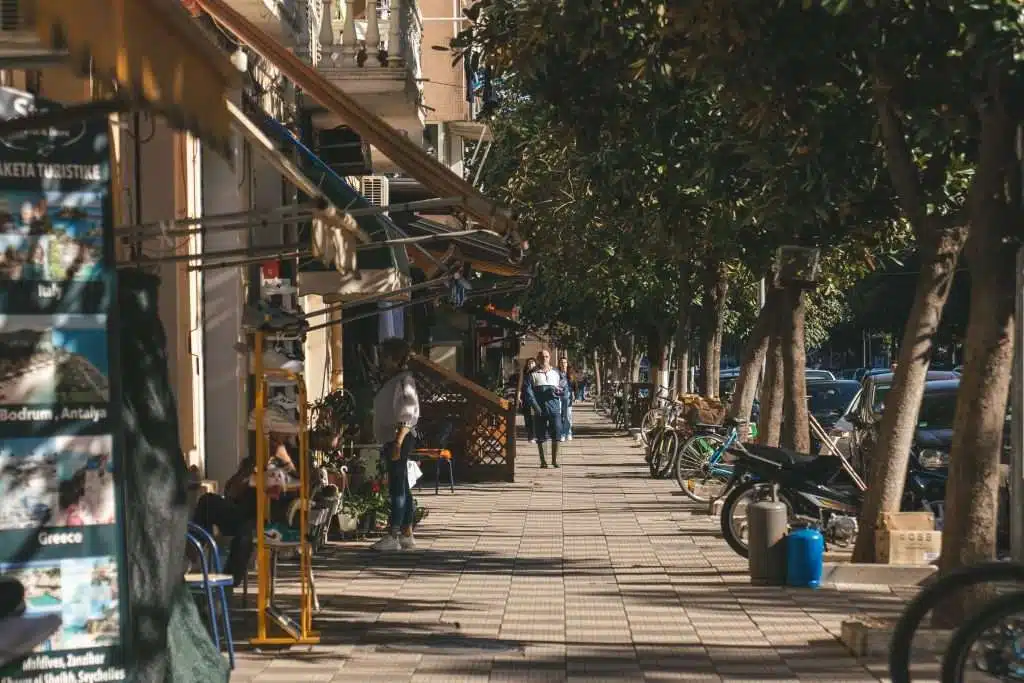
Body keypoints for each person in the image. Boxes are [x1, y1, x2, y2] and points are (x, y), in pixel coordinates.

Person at [191, 432, 297, 585]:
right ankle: (194, 554)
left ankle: (228, 585)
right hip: (241, 511)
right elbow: (230, 490)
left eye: (275, 441)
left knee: (245, 534)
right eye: (269, 440)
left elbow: (293, 488)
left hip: (267, 518)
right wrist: (249, 473)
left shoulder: (289, 460)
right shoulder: (252, 461)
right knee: (207, 501)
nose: (271, 445)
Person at [371, 337, 420, 552]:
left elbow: (408, 413)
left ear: (394, 358)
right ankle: (406, 533)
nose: (381, 361)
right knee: (402, 487)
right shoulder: (396, 379)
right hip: (393, 437)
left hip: (398, 437)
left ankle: (393, 534)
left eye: (385, 357)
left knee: (397, 488)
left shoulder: (404, 381)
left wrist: (398, 443)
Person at [524, 349, 563, 468]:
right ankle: (543, 461)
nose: (544, 359)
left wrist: (560, 391)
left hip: (554, 408)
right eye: (541, 357)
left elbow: (564, 386)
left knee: (557, 432)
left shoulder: (556, 372)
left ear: (549, 358)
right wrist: (535, 407)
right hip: (539, 409)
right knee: (540, 435)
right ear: (538, 358)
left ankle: (555, 461)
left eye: (546, 356)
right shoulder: (531, 374)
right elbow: (528, 392)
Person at [520, 357, 538, 443]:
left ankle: (534, 435)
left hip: (535, 399)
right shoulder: (525, 374)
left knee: (534, 417)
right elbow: (521, 386)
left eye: (532, 363)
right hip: (526, 399)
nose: (531, 364)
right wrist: (519, 396)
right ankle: (530, 436)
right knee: (528, 418)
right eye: (529, 363)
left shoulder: (538, 373)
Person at [558, 356, 574, 442]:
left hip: (568, 397)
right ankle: (562, 433)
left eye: (565, 362)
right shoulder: (557, 374)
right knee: (560, 416)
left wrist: (574, 395)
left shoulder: (570, 374)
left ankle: (568, 432)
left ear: (567, 364)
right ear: (559, 364)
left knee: (568, 416)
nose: (563, 364)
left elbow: (574, 386)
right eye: (562, 362)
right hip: (558, 397)